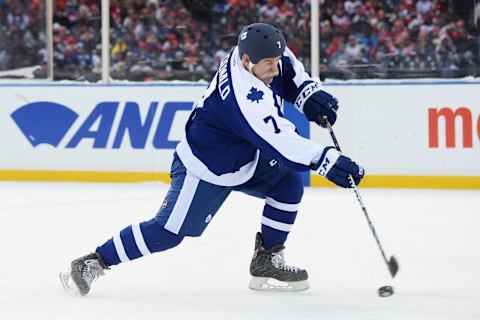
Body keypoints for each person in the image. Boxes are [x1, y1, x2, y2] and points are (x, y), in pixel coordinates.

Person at [59, 23, 364, 296]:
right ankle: (93, 261)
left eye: (275, 61)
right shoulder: (245, 98)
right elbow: (280, 141)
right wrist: (327, 159)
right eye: (268, 64)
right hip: (206, 167)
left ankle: (266, 260)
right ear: (247, 62)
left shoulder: (254, 55)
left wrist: (307, 93)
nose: (275, 69)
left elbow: (287, 66)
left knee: (288, 185)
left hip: (244, 156)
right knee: (167, 234)